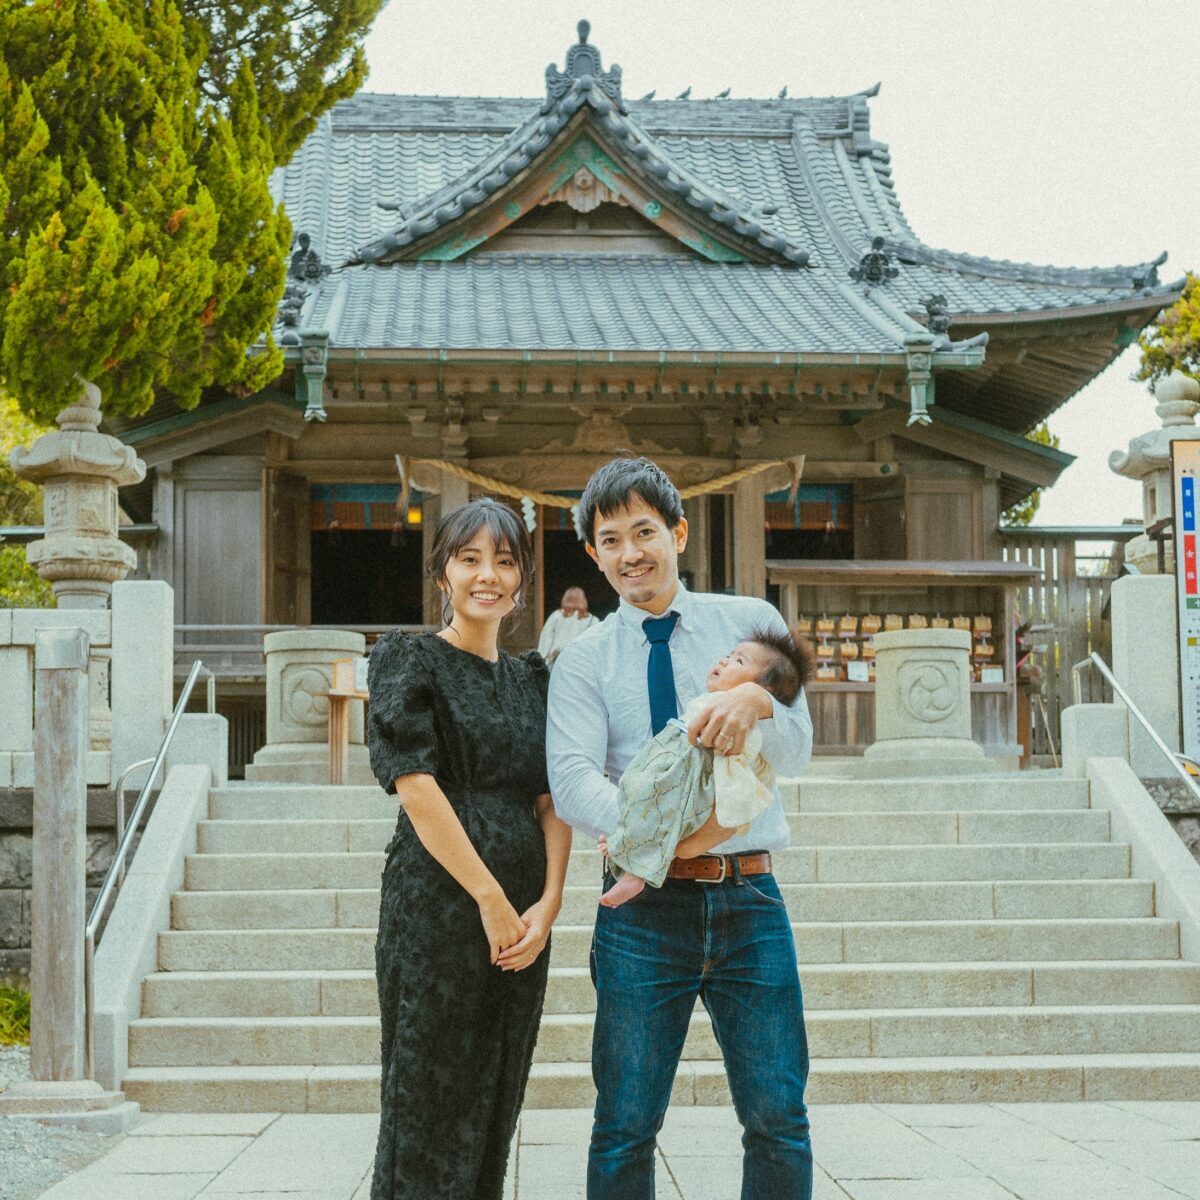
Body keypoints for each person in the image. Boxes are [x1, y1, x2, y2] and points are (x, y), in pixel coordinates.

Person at [547, 457, 815, 1200]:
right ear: (594, 554)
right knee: (625, 1123)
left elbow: (801, 746)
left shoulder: (751, 623)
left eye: (645, 531)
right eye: (610, 538)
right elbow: (573, 782)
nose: (631, 551)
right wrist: (654, 841)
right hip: (640, 914)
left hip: (748, 900)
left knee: (778, 1116)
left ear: (679, 533)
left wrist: (759, 705)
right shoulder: (583, 659)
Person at [366, 497, 572, 1200]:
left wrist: (547, 905)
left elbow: (552, 799)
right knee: (427, 1090)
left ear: (521, 580)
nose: (488, 574)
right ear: (443, 573)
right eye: (470, 558)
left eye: (505, 561)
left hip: (523, 919)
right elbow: (416, 785)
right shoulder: (410, 658)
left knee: (496, 1088)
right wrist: (489, 897)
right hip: (439, 905)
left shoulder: (534, 678)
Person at [601, 628, 813, 907]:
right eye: (728, 656)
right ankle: (627, 841)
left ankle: (636, 872)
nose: (724, 661)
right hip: (669, 763)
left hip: (691, 779)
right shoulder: (713, 700)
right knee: (636, 787)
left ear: (765, 690)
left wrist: (725, 817)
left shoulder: (744, 721)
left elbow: (736, 766)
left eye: (739, 662)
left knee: (661, 802)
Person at [537, 586, 599, 666]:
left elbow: (546, 639)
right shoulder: (593, 620)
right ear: (583, 600)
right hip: (580, 663)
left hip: (556, 661)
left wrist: (542, 659)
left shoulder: (556, 616)